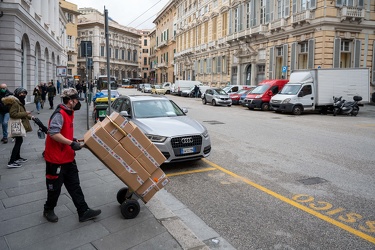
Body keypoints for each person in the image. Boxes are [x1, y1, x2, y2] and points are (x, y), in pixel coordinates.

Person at [43, 88, 101, 223]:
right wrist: (71, 143)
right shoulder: (60, 114)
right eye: (76, 101)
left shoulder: (70, 112)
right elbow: (53, 133)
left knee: (75, 185)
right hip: (56, 159)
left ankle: (83, 211)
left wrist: (73, 140)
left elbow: (63, 132)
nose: (78, 103)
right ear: (70, 101)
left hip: (68, 157)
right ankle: (48, 209)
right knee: (54, 189)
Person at [2, 88, 33, 168]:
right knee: (18, 142)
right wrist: (25, 113)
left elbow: (20, 113)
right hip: (17, 124)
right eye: (22, 93)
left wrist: (30, 117)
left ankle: (17, 157)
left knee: (19, 141)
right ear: (18, 93)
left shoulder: (18, 101)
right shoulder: (15, 103)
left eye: (25, 93)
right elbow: (13, 114)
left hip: (19, 124)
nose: (24, 95)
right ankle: (11, 161)